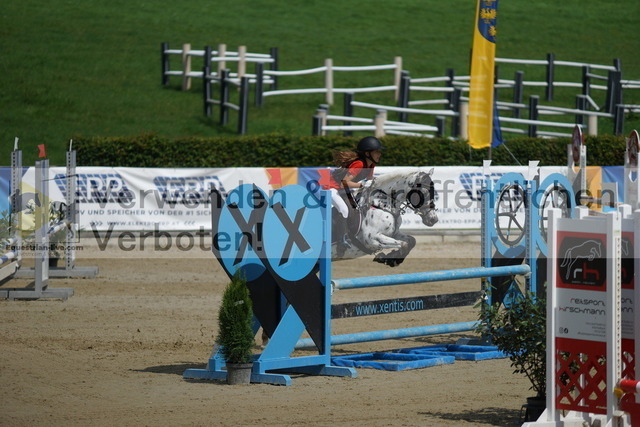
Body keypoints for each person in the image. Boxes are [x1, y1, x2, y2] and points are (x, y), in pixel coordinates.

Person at [324, 136, 384, 256]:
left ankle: (351, 234)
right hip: (330, 188)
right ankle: (341, 240)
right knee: (344, 210)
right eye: (377, 151)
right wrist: (362, 185)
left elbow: (370, 181)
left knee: (355, 209)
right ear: (367, 153)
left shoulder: (371, 165)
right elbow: (344, 182)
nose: (379, 154)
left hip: (343, 189)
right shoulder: (358, 164)